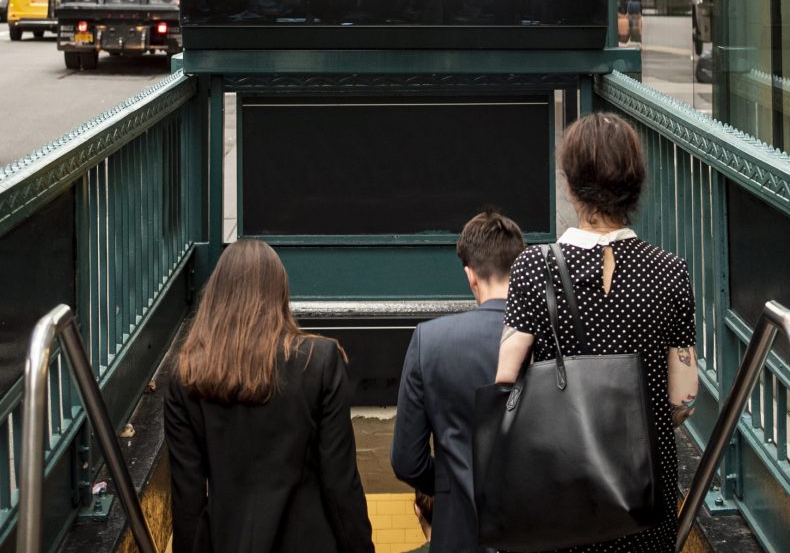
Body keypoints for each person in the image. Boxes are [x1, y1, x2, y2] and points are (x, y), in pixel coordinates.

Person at [497, 113, 699, 553]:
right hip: (642, 495)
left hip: (561, 496)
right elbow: (684, 398)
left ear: (569, 185)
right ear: (636, 184)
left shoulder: (534, 268)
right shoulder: (669, 272)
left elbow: (505, 382)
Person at [164, 240, 375, 553]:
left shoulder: (187, 376)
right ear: (280, 294)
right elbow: (340, 483)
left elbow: (188, 501)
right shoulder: (318, 361)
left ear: (217, 297)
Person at [391, 207, 526, 553]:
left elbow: (407, 460)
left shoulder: (429, 341)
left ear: (470, 276)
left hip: (459, 535)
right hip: (538, 533)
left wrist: (451, 475)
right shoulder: (549, 339)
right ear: (519, 269)